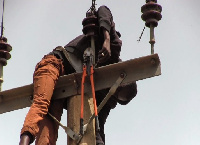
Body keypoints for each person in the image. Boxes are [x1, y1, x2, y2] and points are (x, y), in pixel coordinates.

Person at [19, 5, 137, 145]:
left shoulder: (106, 98)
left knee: (48, 134)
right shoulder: (113, 50)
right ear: (121, 77)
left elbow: (97, 127)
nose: (113, 89)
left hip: (63, 91)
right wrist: (106, 38)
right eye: (118, 87)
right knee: (41, 104)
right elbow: (103, 10)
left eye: (116, 94)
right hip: (55, 64)